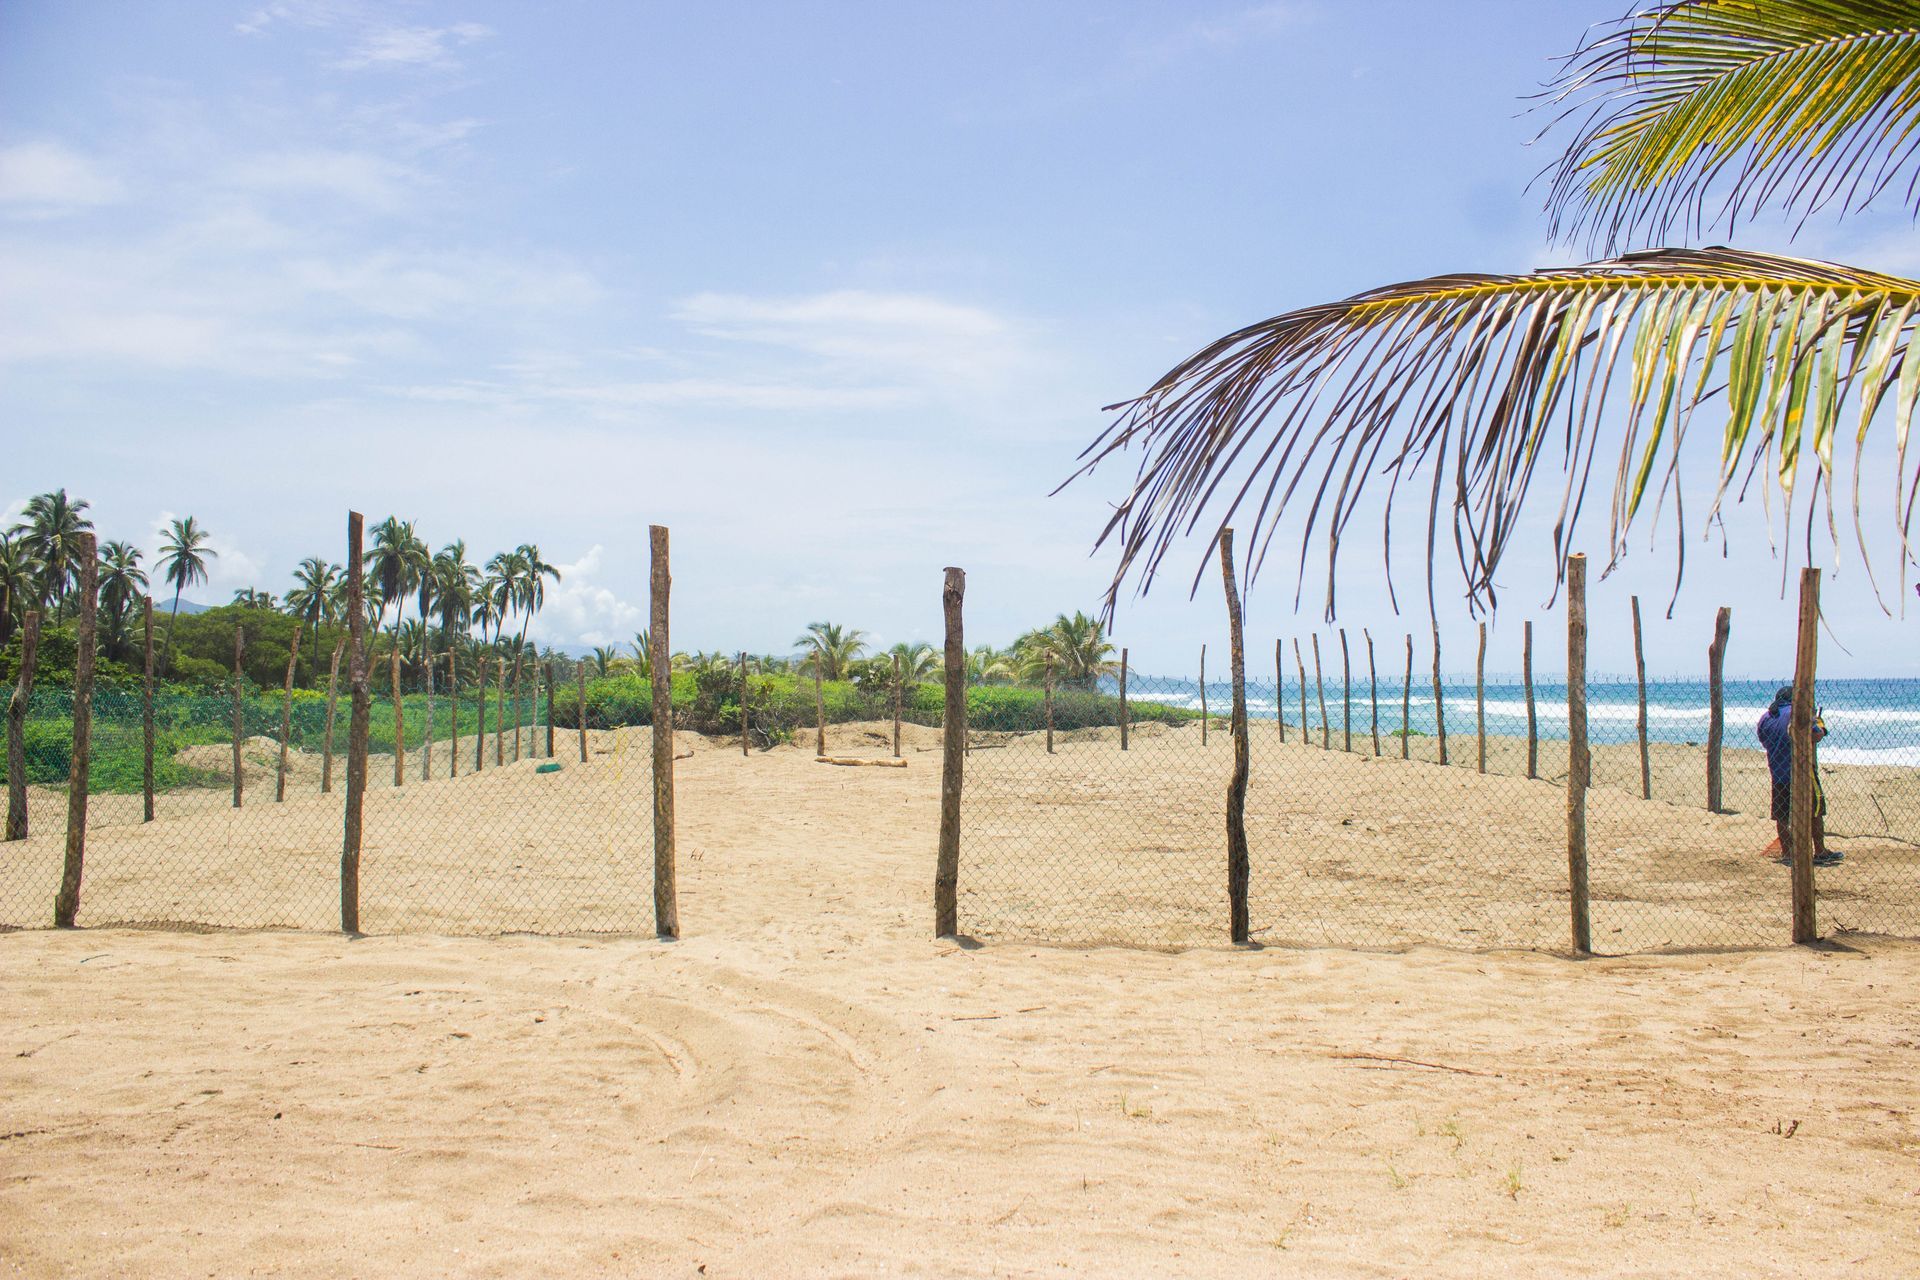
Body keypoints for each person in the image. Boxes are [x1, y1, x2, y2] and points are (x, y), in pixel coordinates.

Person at [1755, 686, 1842, 866]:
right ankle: (1819, 850)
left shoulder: (1766, 718)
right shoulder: (1798, 713)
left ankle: (1787, 853)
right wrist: (1820, 725)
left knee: (1781, 815)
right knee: (1815, 811)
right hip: (1802, 772)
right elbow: (1816, 735)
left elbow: (1763, 740)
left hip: (1778, 773)